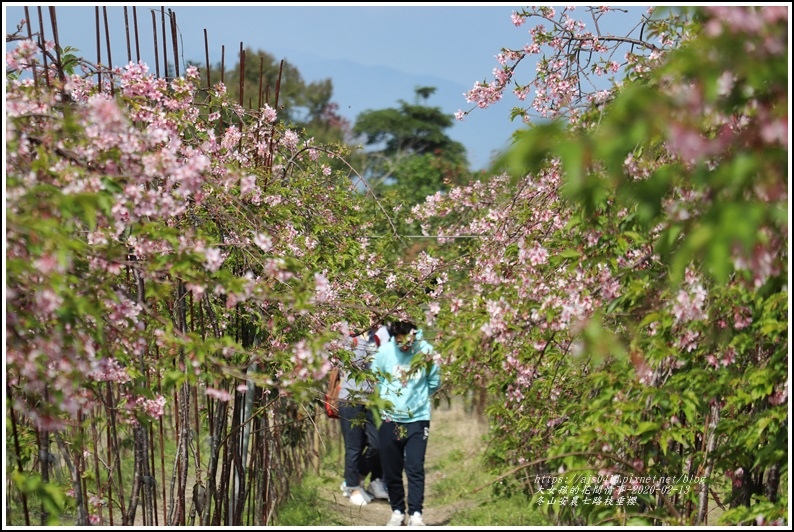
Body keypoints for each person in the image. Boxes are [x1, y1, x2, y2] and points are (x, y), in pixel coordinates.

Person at [373, 320, 441, 527]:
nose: (404, 346)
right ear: (393, 338)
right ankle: (397, 511)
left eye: (408, 341)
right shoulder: (384, 352)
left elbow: (434, 382)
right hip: (389, 419)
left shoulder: (427, 351)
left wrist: (419, 400)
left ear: (415, 335)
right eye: (399, 342)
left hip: (418, 419)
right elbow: (377, 380)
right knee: (392, 469)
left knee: (414, 466)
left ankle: (416, 513)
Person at [338, 325, 390, 506]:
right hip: (350, 400)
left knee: (377, 443)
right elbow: (349, 363)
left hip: (373, 400)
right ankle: (352, 487)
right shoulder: (348, 334)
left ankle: (356, 478)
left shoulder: (382, 333)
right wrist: (364, 339)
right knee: (354, 446)